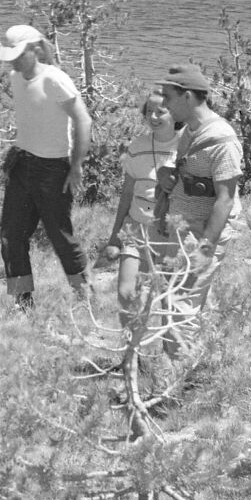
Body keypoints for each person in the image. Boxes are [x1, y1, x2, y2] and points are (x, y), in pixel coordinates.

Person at [0, 23, 94, 307]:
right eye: (10, 55)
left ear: (34, 49)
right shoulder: (16, 78)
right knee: (12, 235)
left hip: (53, 168)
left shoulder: (54, 79)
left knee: (59, 235)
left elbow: (83, 119)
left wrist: (76, 166)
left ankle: (85, 297)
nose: (13, 61)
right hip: (22, 164)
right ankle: (22, 302)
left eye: (18, 54)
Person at [155, 64, 245, 329]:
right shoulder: (188, 132)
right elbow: (182, 170)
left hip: (200, 234)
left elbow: (225, 199)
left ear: (187, 96)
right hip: (181, 230)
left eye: (168, 97)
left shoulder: (222, 139)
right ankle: (171, 364)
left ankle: (178, 368)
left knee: (183, 307)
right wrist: (164, 174)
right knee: (170, 302)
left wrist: (205, 249)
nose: (164, 104)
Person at [103, 86, 181, 340]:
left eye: (161, 111)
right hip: (136, 227)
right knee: (127, 293)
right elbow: (126, 194)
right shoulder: (138, 146)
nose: (154, 117)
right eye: (149, 111)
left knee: (171, 299)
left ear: (175, 113)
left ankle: (173, 355)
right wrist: (115, 236)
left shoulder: (187, 145)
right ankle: (131, 353)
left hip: (170, 232)